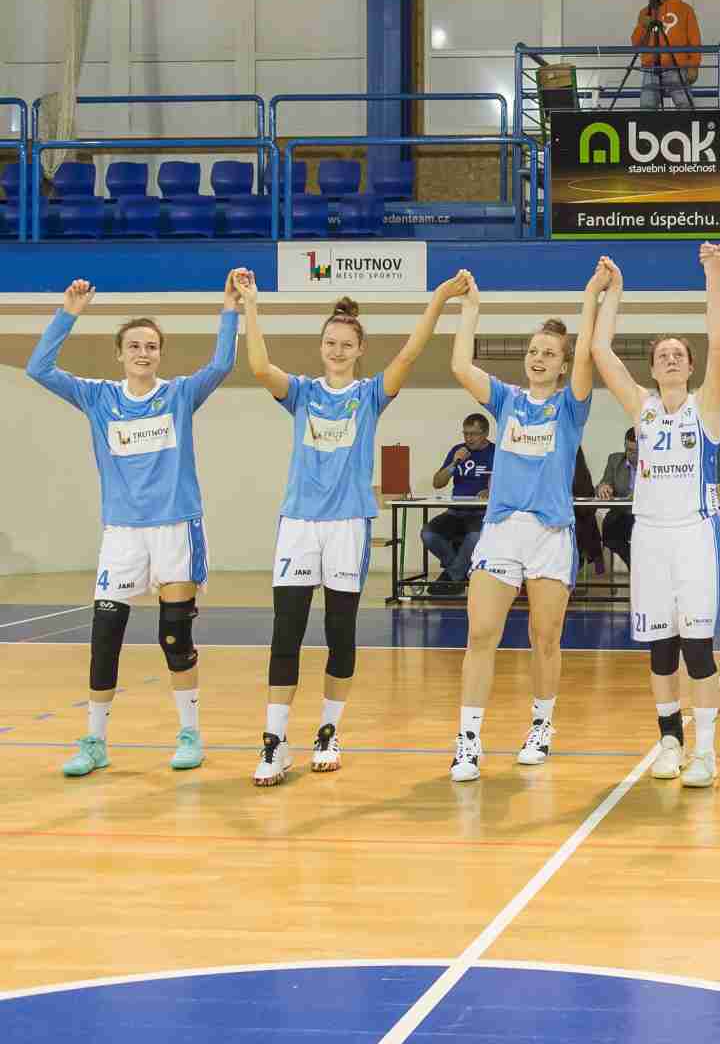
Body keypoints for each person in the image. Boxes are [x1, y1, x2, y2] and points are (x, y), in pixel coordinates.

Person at [240, 275, 465, 786]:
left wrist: (438, 299)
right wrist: (251, 305)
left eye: (346, 344)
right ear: (321, 346)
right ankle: (274, 742)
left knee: (339, 633)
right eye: (330, 343)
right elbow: (258, 367)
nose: (337, 350)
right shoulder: (302, 392)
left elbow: (410, 353)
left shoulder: (369, 395)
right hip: (299, 524)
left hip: (347, 525)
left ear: (360, 349)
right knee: (286, 633)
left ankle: (328, 732)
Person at [27, 270, 245, 777]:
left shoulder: (180, 395)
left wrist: (230, 308)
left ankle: (190, 735)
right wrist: (68, 314)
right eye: (134, 346)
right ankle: (95, 742)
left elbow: (222, 364)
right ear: (119, 354)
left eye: (151, 346)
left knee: (174, 637)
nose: (143, 353)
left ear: (160, 354)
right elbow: (39, 368)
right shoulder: (98, 398)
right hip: (122, 534)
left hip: (175, 529)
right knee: (105, 638)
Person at [444, 265, 604, 782]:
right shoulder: (507, 399)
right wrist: (470, 309)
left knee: (545, 636)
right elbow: (460, 365)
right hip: (503, 531)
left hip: (551, 535)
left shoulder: (570, 407)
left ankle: (541, 725)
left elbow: (587, 353)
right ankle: (468, 740)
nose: (539, 358)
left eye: (549, 353)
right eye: (534, 351)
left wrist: (590, 296)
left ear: (562, 364)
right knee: (481, 633)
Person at [592, 247, 720, 789]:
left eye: (679, 354)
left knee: (698, 648)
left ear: (691, 367)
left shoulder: (706, 406)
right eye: (663, 355)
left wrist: (713, 276)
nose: (671, 359)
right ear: (651, 369)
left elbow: (719, 341)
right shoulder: (642, 408)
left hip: (694, 537)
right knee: (661, 646)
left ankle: (706, 751)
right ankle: (670, 741)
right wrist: (614, 293)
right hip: (649, 536)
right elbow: (600, 350)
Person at [423, 414, 494, 594]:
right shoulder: (458, 450)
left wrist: (491, 492)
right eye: (466, 433)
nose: (469, 438)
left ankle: (452, 576)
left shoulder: (495, 452)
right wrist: (454, 462)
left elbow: (508, 484)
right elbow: (437, 483)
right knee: (428, 534)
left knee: (475, 537)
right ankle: (459, 573)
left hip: (480, 513)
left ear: (485, 433)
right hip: (455, 512)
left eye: (474, 434)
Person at [633, 0, 701, 110]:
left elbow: (694, 39)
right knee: (647, 106)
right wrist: (643, 25)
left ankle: (689, 125)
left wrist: (693, 65)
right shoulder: (646, 12)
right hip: (651, 67)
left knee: (685, 105)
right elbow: (636, 43)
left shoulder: (685, 9)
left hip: (677, 66)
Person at [596, 428, 639, 567]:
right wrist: (603, 487)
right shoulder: (615, 460)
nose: (632, 455)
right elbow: (604, 483)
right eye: (629, 450)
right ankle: (635, 564)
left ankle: (637, 565)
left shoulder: (654, 463)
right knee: (609, 531)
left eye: (636, 451)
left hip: (644, 515)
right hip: (622, 513)